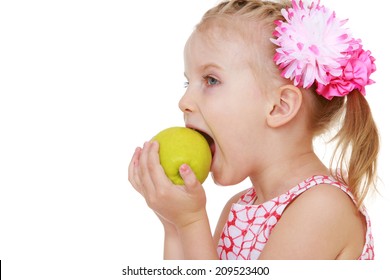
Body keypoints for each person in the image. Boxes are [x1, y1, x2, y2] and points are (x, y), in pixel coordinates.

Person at [128, 0, 379, 260]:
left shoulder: (322, 209)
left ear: (279, 107)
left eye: (211, 80)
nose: (184, 102)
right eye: (187, 82)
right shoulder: (239, 207)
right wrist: (173, 225)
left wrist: (191, 223)